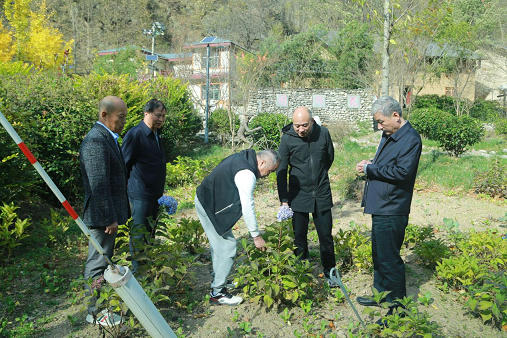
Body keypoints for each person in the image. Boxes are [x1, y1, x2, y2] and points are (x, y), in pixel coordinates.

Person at [355, 96, 422, 313]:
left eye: (381, 121)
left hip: (393, 207)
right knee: (379, 255)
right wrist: (371, 164)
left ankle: (398, 308)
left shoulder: (410, 139)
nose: (379, 126)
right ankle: (380, 295)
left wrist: (369, 170)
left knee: (390, 259)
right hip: (381, 204)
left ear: (396, 115)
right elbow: (387, 164)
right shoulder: (389, 134)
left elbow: (402, 172)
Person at [195, 149, 280, 305]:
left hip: (207, 199)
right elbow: (248, 206)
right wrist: (256, 235)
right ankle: (218, 293)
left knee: (219, 245)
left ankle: (220, 278)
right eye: (270, 171)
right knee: (228, 246)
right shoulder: (246, 174)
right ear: (262, 163)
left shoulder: (245, 158)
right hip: (209, 205)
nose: (268, 175)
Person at [79, 96, 129, 326]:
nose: (123, 122)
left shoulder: (107, 137)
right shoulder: (95, 141)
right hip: (101, 216)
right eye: (121, 117)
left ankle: (99, 308)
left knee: (103, 259)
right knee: (97, 263)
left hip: (106, 215)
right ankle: (95, 311)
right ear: (104, 115)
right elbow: (98, 184)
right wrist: (109, 217)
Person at [276, 106, 337, 287]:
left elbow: (329, 158)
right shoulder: (287, 139)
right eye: (296, 126)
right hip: (298, 194)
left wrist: (317, 176)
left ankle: (330, 270)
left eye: (304, 125)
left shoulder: (323, 134)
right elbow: (281, 170)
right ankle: (301, 272)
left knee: (325, 236)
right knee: (299, 237)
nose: (300, 129)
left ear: (312, 121)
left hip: (321, 192)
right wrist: (284, 199)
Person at [122, 99, 167, 269]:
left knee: (150, 233)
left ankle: (146, 269)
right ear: (146, 113)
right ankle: (137, 272)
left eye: (163, 116)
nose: (161, 119)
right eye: (157, 115)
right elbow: (123, 164)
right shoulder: (136, 135)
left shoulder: (156, 134)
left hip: (155, 195)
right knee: (139, 235)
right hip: (140, 195)